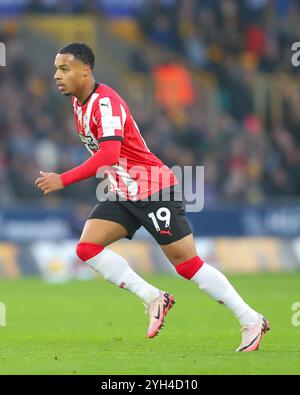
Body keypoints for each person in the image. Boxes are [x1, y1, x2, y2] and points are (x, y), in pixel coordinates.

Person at [35, 42, 270, 351]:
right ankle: (153, 298)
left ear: (86, 70)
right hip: (124, 191)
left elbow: (107, 154)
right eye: (56, 69)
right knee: (87, 248)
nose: (57, 75)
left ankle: (250, 319)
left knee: (187, 266)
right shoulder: (79, 104)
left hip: (153, 189)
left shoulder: (105, 104)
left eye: (64, 69)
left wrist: (62, 179)